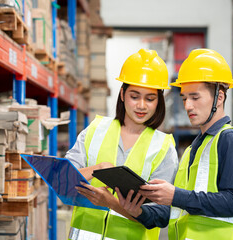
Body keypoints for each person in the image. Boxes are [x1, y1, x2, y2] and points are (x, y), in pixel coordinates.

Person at [118, 48, 233, 240]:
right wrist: (139, 211)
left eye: (195, 97)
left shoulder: (230, 140)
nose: (187, 106)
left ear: (219, 97)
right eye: (184, 98)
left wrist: (176, 195)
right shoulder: (196, 148)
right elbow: (178, 212)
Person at [64, 49, 179, 240]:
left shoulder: (163, 148)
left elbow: (160, 216)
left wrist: (112, 203)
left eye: (150, 99)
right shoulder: (96, 129)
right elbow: (63, 179)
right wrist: (97, 169)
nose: (141, 105)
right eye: (135, 96)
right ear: (123, 94)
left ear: (159, 101)